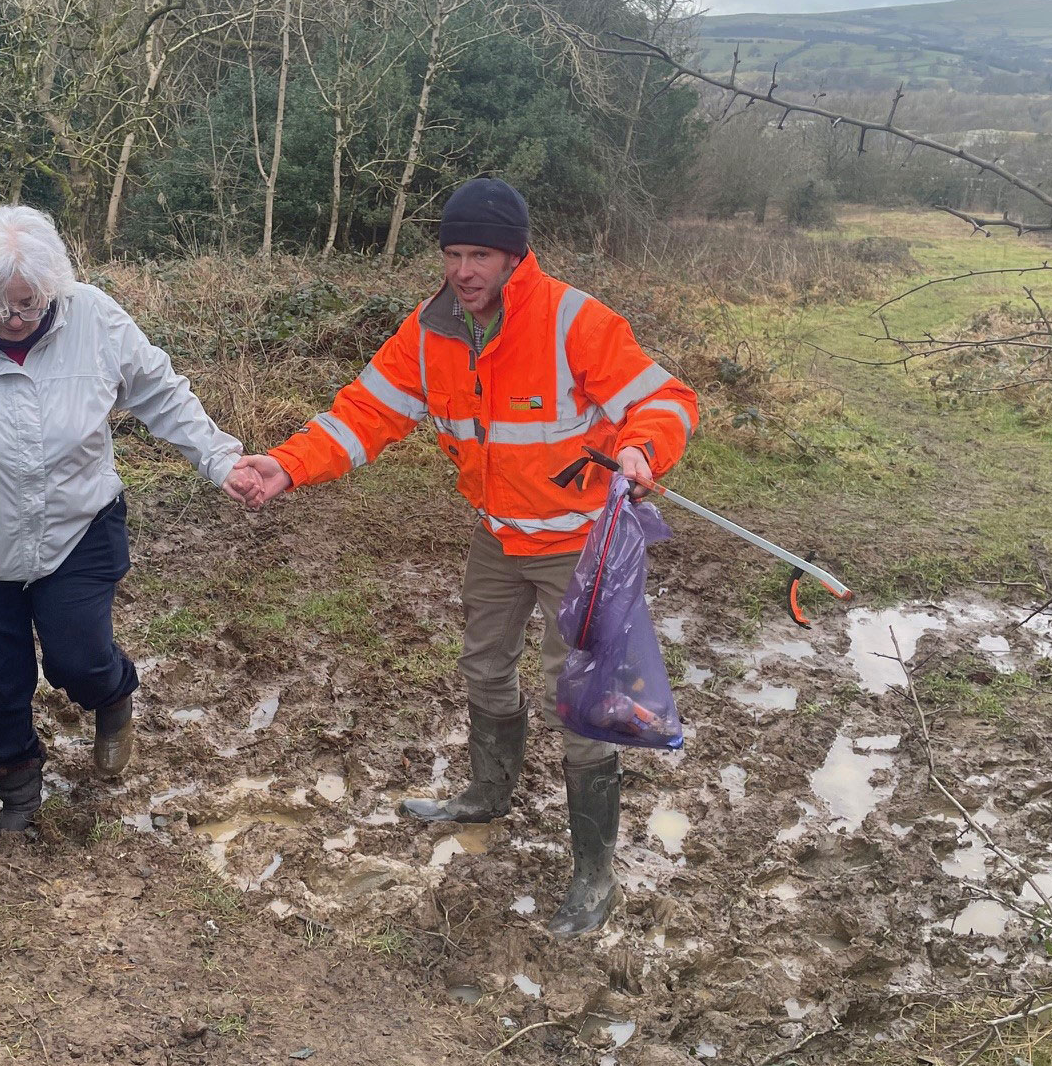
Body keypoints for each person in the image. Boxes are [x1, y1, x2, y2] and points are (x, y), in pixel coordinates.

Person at [228, 177, 699, 938]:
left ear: (516, 257)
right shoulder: (431, 329)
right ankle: (488, 793)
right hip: (496, 535)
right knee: (483, 667)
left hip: (581, 543)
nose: (463, 269)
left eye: (480, 253)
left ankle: (593, 873)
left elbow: (668, 399)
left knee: (583, 698)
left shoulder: (573, 320)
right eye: (452, 253)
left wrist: (644, 448)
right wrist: (286, 466)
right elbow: (366, 411)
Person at [0, 205, 243, 839]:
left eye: (28, 304)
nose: (15, 319)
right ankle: (20, 795)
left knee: (77, 657)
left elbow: (159, 391)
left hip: (78, 525)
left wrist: (220, 458)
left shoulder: (95, 317)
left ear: (54, 286)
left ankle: (112, 699)